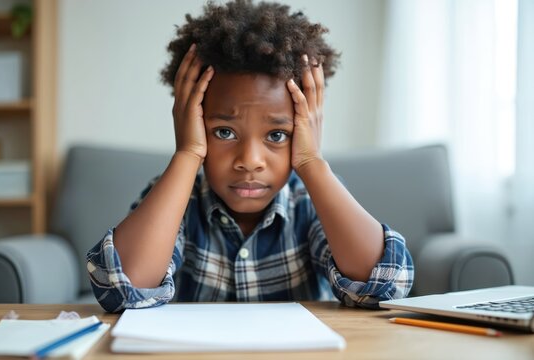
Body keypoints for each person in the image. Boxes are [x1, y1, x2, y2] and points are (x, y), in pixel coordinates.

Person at [87, 0, 413, 313]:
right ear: (193, 125)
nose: (250, 160)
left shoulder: (310, 200)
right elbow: (123, 291)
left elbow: (385, 287)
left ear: (304, 131)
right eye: (224, 132)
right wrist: (187, 154)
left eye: (276, 135)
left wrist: (312, 163)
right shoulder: (177, 199)